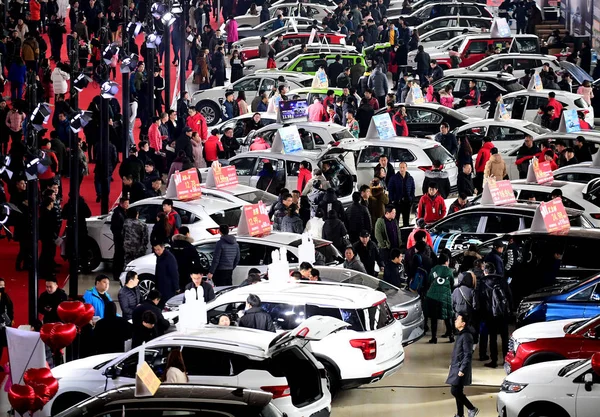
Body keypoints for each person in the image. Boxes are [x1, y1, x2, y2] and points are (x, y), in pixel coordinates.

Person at [446, 312, 479, 417]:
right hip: (456, 366)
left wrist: (462, 369)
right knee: (458, 390)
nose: (455, 321)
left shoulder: (466, 336)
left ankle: (471, 408)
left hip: (460, 368)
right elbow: (457, 352)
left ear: (463, 323)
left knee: (455, 391)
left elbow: (468, 354)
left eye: (458, 319)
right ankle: (460, 414)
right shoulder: (460, 334)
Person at [480, 262, 512, 368]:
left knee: (492, 338)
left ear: (485, 272)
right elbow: (509, 296)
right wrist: (510, 311)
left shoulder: (483, 282)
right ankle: (506, 360)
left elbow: (481, 300)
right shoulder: (503, 281)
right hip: (503, 314)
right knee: (504, 338)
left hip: (490, 315)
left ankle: (494, 360)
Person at [425, 254, 455, 344]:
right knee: (448, 317)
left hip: (432, 296)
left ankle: (434, 338)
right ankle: (451, 336)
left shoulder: (433, 269)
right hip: (445, 296)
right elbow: (452, 282)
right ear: (446, 262)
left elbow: (429, 280)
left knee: (434, 319)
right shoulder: (449, 271)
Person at [171, 226, 202, 291]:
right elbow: (196, 261)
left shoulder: (172, 245)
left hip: (174, 272)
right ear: (187, 234)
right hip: (186, 273)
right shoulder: (189, 246)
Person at [388, 162, 415, 227]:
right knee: (395, 220)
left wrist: (411, 199)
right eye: (400, 167)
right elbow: (390, 189)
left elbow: (412, 189)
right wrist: (392, 200)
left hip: (406, 202)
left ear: (406, 168)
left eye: (403, 167)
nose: (402, 169)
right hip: (397, 202)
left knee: (406, 220)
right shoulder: (394, 178)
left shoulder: (410, 178)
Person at [153, 243, 179, 309]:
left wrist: (176, 287)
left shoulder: (169, 258)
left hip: (168, 288)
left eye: (158, 249)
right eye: (155, 250)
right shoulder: (159, 257)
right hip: (160, 287)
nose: (157, 251)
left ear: (163, 248)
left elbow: (174, 273)